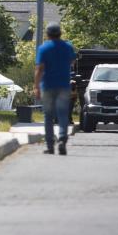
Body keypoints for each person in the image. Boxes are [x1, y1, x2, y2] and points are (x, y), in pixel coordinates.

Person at [34, 22, 77, 155]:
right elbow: (72, 61)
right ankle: (62, 139)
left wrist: (36, 86)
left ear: (47, 34)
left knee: (48, 116)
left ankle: (50, 145)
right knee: (62, 113)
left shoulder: (44, 48)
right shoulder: (68, 47)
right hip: (64, 85)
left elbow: (40, 68)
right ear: (60, 33)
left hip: (47, 85)